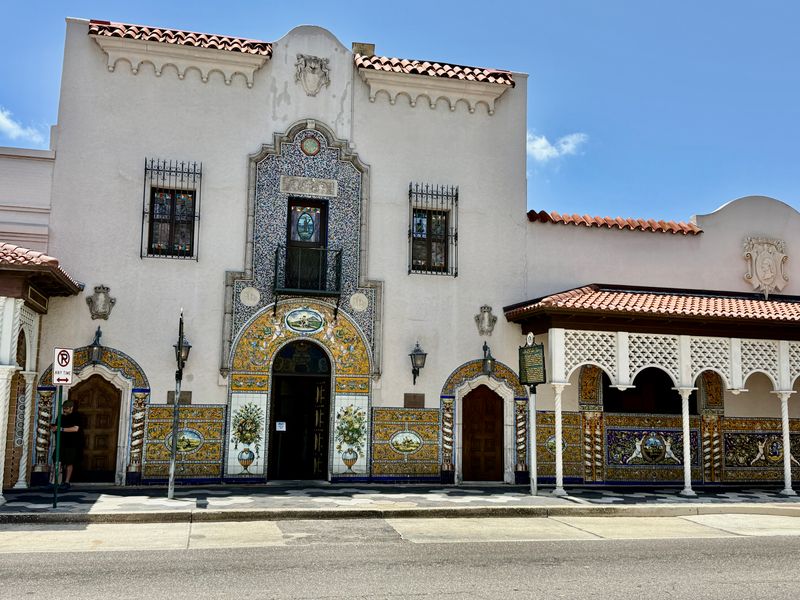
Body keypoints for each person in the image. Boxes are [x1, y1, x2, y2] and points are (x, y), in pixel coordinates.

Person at [50, 401, 81, 490]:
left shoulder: (76, 416)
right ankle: (56, 481)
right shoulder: (60, 417)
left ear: (71, 408)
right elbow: (56, 427)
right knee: (57, 461)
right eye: (64, 408)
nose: (65, 410)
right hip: (60, 442)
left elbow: (75, 429)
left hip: (71, 443)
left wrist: (61, 429)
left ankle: (67, 482)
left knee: (69, 462)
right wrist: (54, 428)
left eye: (66, 408)